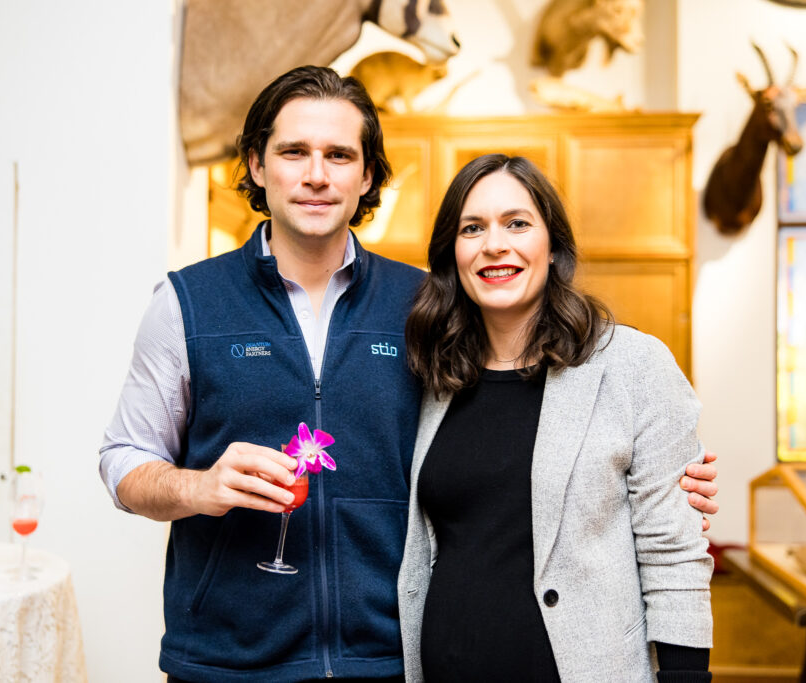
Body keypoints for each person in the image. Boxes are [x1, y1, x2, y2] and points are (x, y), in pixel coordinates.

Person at [99, 67, 718, 682]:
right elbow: (123, 458)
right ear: (258, 166)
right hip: (224, 662)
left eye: (340, 155)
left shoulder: (425, 310)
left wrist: (665, 485)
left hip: (390, 661)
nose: (317, 173)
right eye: (295, 152)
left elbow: (533, 420)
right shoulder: (186, 303)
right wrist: (197, 489)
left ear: (367, 175)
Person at [397, 154, 714, 682]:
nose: (494, 244)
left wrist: (686, 677)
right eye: (472, 228)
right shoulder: (433, 374)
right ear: (453, 255)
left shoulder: (632, 365)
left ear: (552, 245)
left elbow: (674, 549)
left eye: (517, 223)